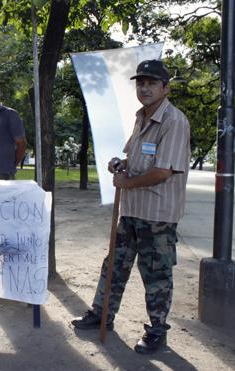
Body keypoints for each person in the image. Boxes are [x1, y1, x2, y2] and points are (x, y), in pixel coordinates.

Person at [71, 60, 191, 354]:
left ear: (166, 87)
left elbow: (163, 171)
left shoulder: (174, 121)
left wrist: (126, 183)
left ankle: (157, 332)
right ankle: (101, 315)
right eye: (141, 83)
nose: (145, 88)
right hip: (131, 211)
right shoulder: (140, 117)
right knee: (114, 265)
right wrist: (120, 164)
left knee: (156, 275)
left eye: (151, 83)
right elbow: (134, 159)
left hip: (158, 216)